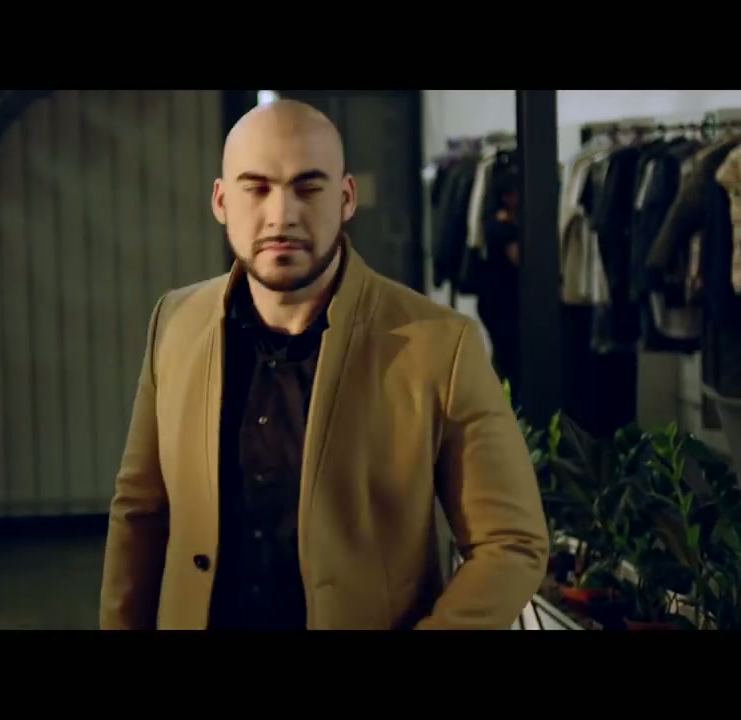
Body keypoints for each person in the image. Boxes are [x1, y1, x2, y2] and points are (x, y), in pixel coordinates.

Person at [98, 98, 548, 630]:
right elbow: (139, 512)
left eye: (308, 188)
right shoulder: (175, 321)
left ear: (346, 197)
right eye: (256, 187)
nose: (282, 214)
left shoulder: (440, 345)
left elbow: (510, 542)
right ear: (221, 200)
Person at [476, 176, 523, 399]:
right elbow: (517, 260)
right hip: (501, 301)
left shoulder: (491, 221)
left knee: (501, 356)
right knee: (508, 358)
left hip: (491, 299)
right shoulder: (505, 228)